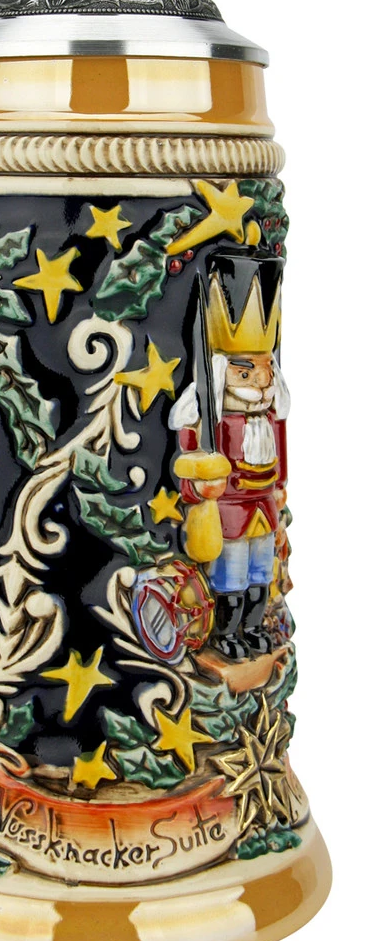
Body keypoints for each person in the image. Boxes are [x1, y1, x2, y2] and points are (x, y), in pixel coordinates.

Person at [170, 266, 289, 660]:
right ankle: (225, 635)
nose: (262, 381)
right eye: (246, 372)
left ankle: (252, 629)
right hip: (230, 515)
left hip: (264, 508)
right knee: (230, 578)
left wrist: (280, 488)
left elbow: (280, 464)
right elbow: (189, 465)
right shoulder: (217, 424)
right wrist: (201, 484)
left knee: (261, 575)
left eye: (266, 369)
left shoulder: (269, 421)